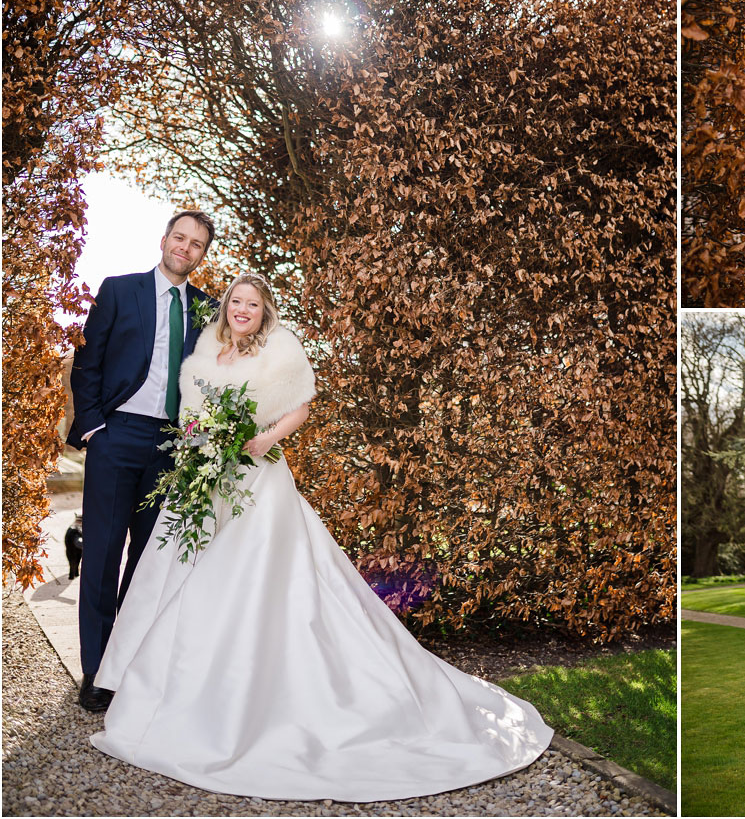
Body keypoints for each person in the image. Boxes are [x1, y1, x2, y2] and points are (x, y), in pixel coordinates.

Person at [90, 273, 552, 801]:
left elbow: (300, 407)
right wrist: (200, 438)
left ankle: (251, 699)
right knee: (178, 576)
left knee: (250, 584)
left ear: (266, 311)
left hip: (258, 482)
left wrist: (263, 438)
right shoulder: (203, 350)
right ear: (226, 307)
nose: (243, 310)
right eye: (236, 302)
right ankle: (160, 690)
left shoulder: (281, 348)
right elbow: (192, 412)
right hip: (205, 481)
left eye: (253, 304)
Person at [66, 210, 219, 712]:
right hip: (117, 435)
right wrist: (93, 428)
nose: (185, 248)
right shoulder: (118, 290)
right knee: (103, 554)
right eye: (180, 237)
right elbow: (89, 363)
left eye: (196, 244)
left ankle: (126, 662)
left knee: (148, 562)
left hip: (172, 446)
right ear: (164, 239)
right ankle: (95, 670)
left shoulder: (207, 310)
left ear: (203, 253)